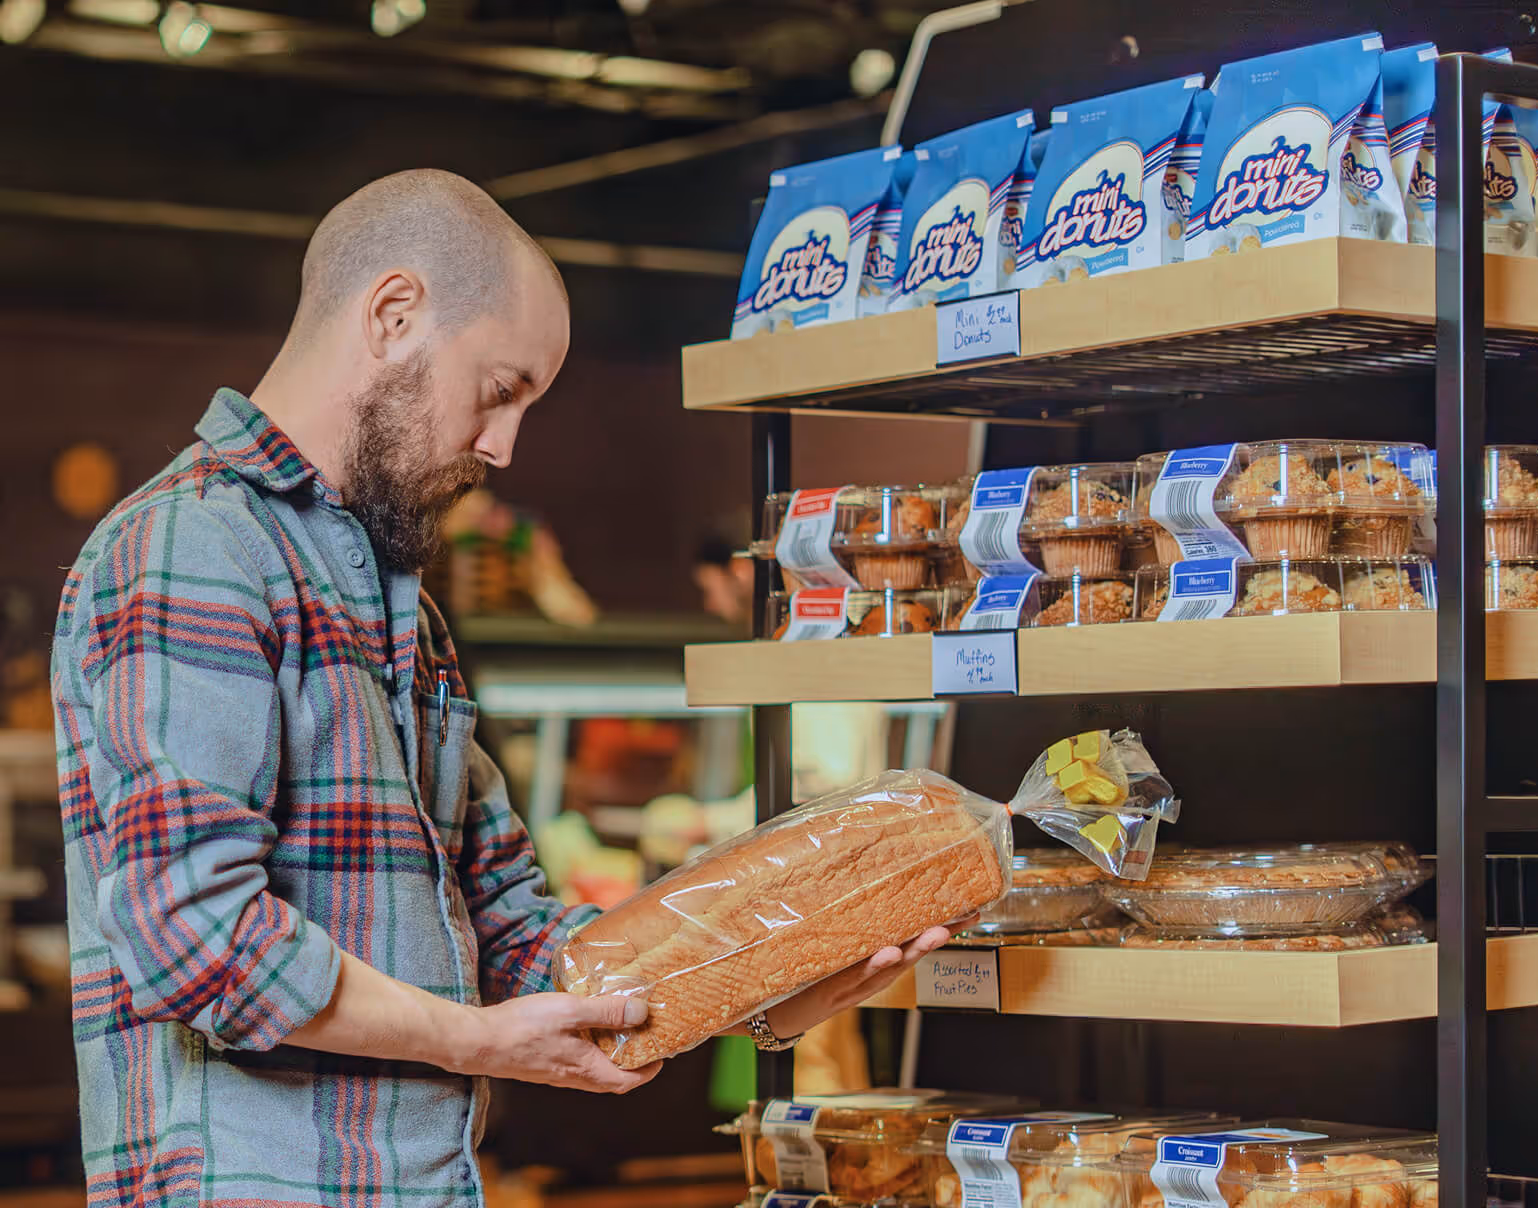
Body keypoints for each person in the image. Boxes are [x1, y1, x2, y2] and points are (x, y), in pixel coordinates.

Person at [50, 170, 962, 1207]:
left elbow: (522, 944)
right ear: (393, 315)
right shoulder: (193, 547)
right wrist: (470, 1037)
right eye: (500, 388)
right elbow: (196, 938)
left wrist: (781, 975)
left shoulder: (407, 614)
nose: (502, 444)